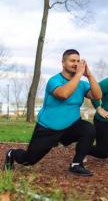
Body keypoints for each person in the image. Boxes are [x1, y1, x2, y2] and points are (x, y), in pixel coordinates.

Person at [3, 49, 102, 177]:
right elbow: (63, 94)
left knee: (89, 129)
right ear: (63, 63)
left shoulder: (82, 84)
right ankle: (11, 153)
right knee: (28, 160)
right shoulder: (54, 80)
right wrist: (79, 75)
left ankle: (76, 164)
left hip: (71, 125)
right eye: (72, 60)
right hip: (49, 128)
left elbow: (97, 95)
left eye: (78, 61)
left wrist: (89, 75)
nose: (76, 64)